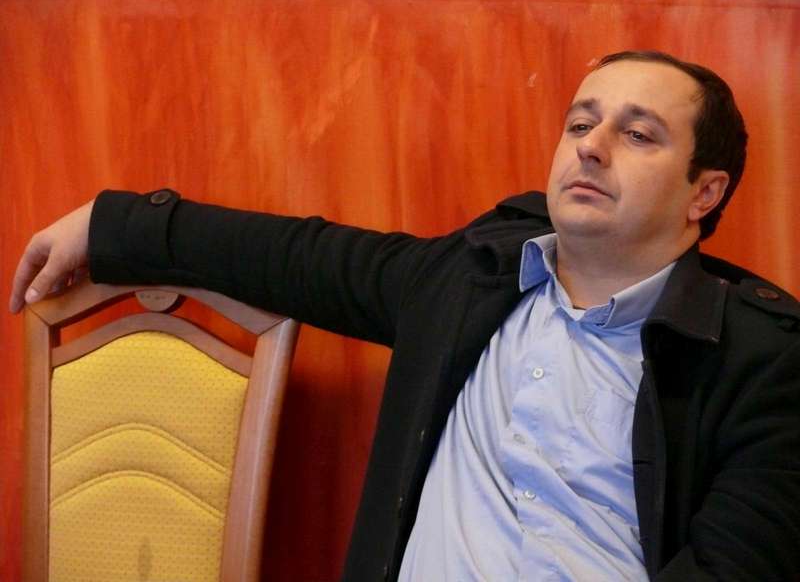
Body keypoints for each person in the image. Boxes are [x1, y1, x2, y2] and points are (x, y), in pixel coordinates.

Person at [10, 51, 800, 581]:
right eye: (580, 122)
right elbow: (296, 256)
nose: (592, 147)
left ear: (705, 192)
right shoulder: (467, 280)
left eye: (638, 134)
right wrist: (111, 225)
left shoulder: (758, 360)